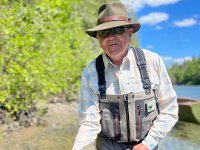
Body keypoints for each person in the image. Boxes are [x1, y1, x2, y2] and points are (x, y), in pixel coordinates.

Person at [72, 1, 178, 150]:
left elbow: (169, 109)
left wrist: (148, 144)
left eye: (117, 30)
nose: (110, 37)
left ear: (130, 33)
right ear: (98, 39)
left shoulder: (153, 62)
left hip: (147, 144)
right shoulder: (90, 73)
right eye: (104, 32)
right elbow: (89, 123)